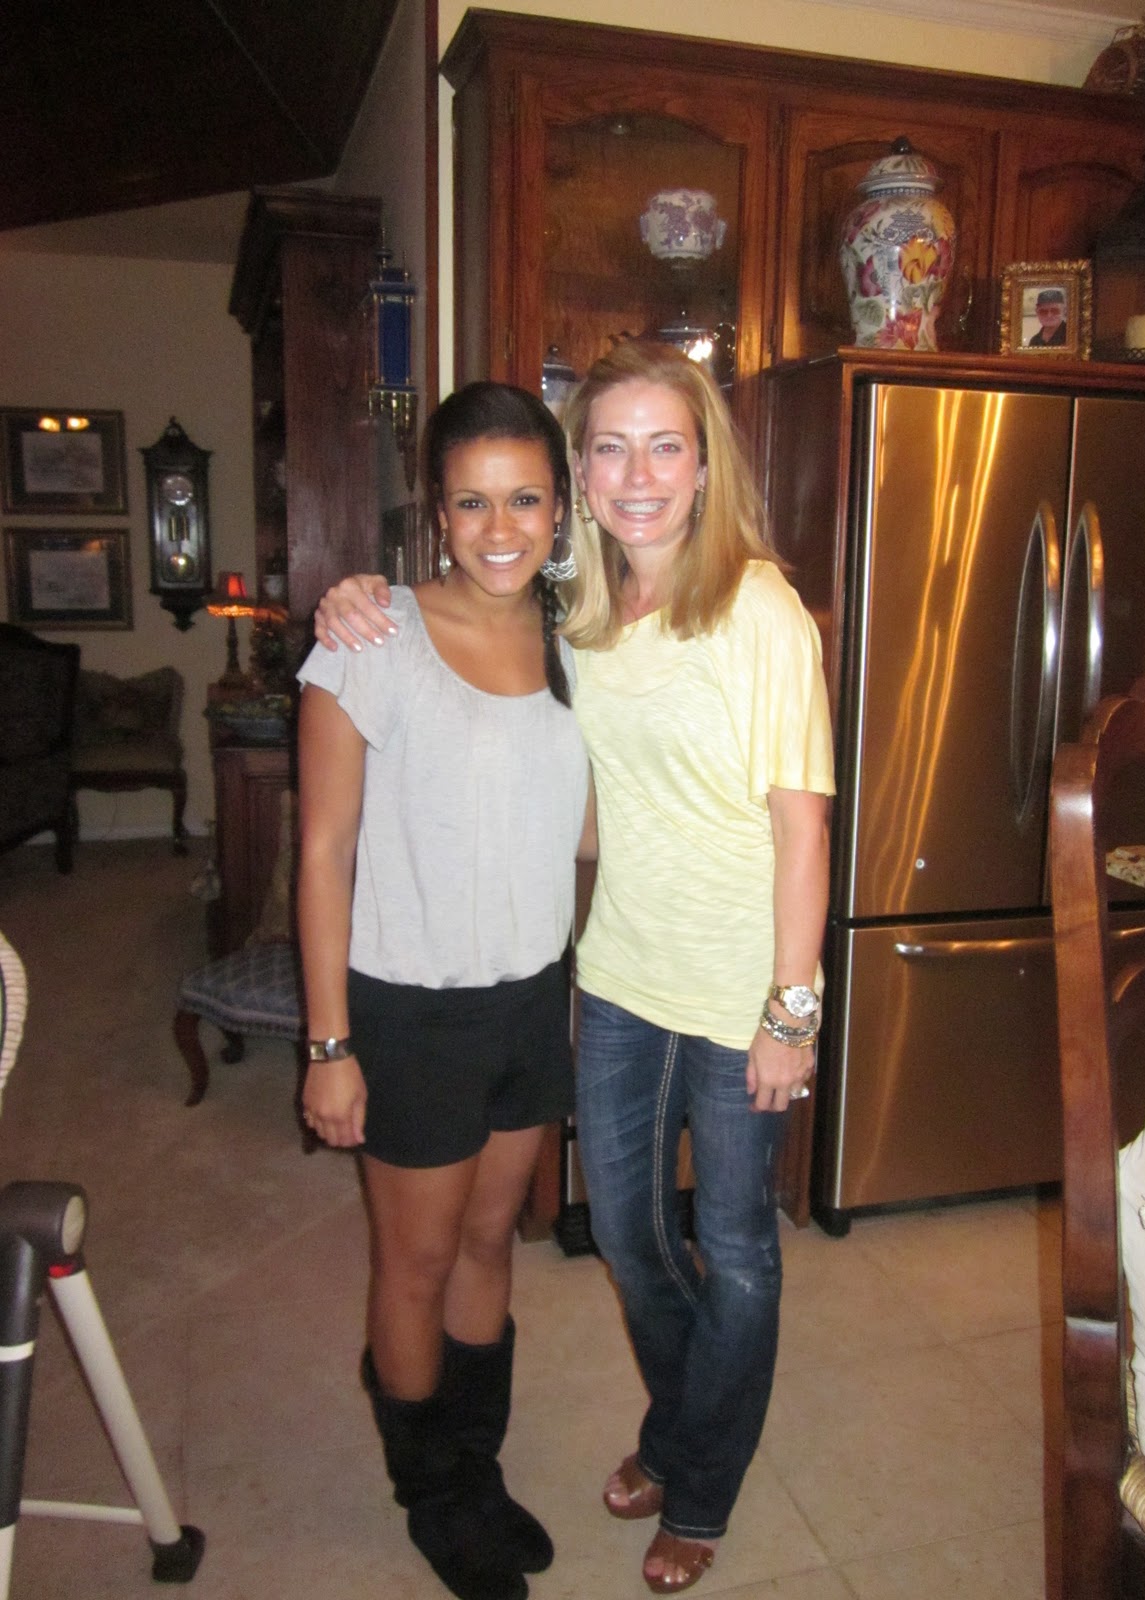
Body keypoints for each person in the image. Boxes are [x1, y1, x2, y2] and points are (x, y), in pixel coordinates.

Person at [314, 341, 835, 1595]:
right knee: (524, 1252)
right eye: (610, 447)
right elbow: (354, 837)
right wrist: (330, 1041)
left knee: (620, 1247)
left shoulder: (665, 620)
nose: (501, 526)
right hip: (514, 996)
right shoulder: (474, 629)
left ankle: (595, 1477)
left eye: (664, 446)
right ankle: (455, 1484)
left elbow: (763, 818)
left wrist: (792, 1001)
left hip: (634, 993)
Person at [295, 380, 591, 1600]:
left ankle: (473, 1465)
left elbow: (576, 824)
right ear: (437, 511)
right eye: (472, 501)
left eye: (525, 498)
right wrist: (329, 1046)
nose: (500, 527)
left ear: (561, 508)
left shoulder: (578, 641)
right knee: (414, 1263)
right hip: (411, 1008)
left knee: (488, 1241)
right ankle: (431, 1490)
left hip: (531, 998)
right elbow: (323, 851)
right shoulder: (371, 639)